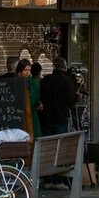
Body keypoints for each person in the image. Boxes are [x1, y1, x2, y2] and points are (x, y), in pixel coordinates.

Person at [40, 57, 77, 190]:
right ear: (65, 67)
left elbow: (40, 98)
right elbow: (71, 100)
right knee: (60, 151)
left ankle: (47, 180)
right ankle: (59, 180)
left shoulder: (45, 81)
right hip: (61, 119)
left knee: (47, 150)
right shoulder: (67, 81)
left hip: (46, 119)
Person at [29, 62, 44, 138]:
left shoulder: (28, 82)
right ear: (40, 71)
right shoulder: (42, 82)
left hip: (31, 111)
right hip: (40, 111)